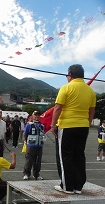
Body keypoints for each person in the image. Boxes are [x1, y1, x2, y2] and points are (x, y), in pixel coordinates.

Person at [50, 64, 96, 194]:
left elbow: (58, 108)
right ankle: (78, 187)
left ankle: (67, 186)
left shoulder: (66, 88)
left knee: (65, 156)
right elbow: (91, 111)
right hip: (83, 126)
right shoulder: (90, 91)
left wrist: (53, 125)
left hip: (67, 126)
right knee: (79, 155)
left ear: (70, 76)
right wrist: (87, 124)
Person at [23, 111, 45, 180]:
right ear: (32, 116)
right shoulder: (29, 125)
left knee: (38, 161)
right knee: (29, 160)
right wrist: (26, 142)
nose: (37, 117)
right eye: (35, 115)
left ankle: (36, 174)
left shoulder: (42, 125)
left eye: (38, 115)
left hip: (39, 146)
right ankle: (26, 174)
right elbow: (25, 134)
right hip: (31, 145)